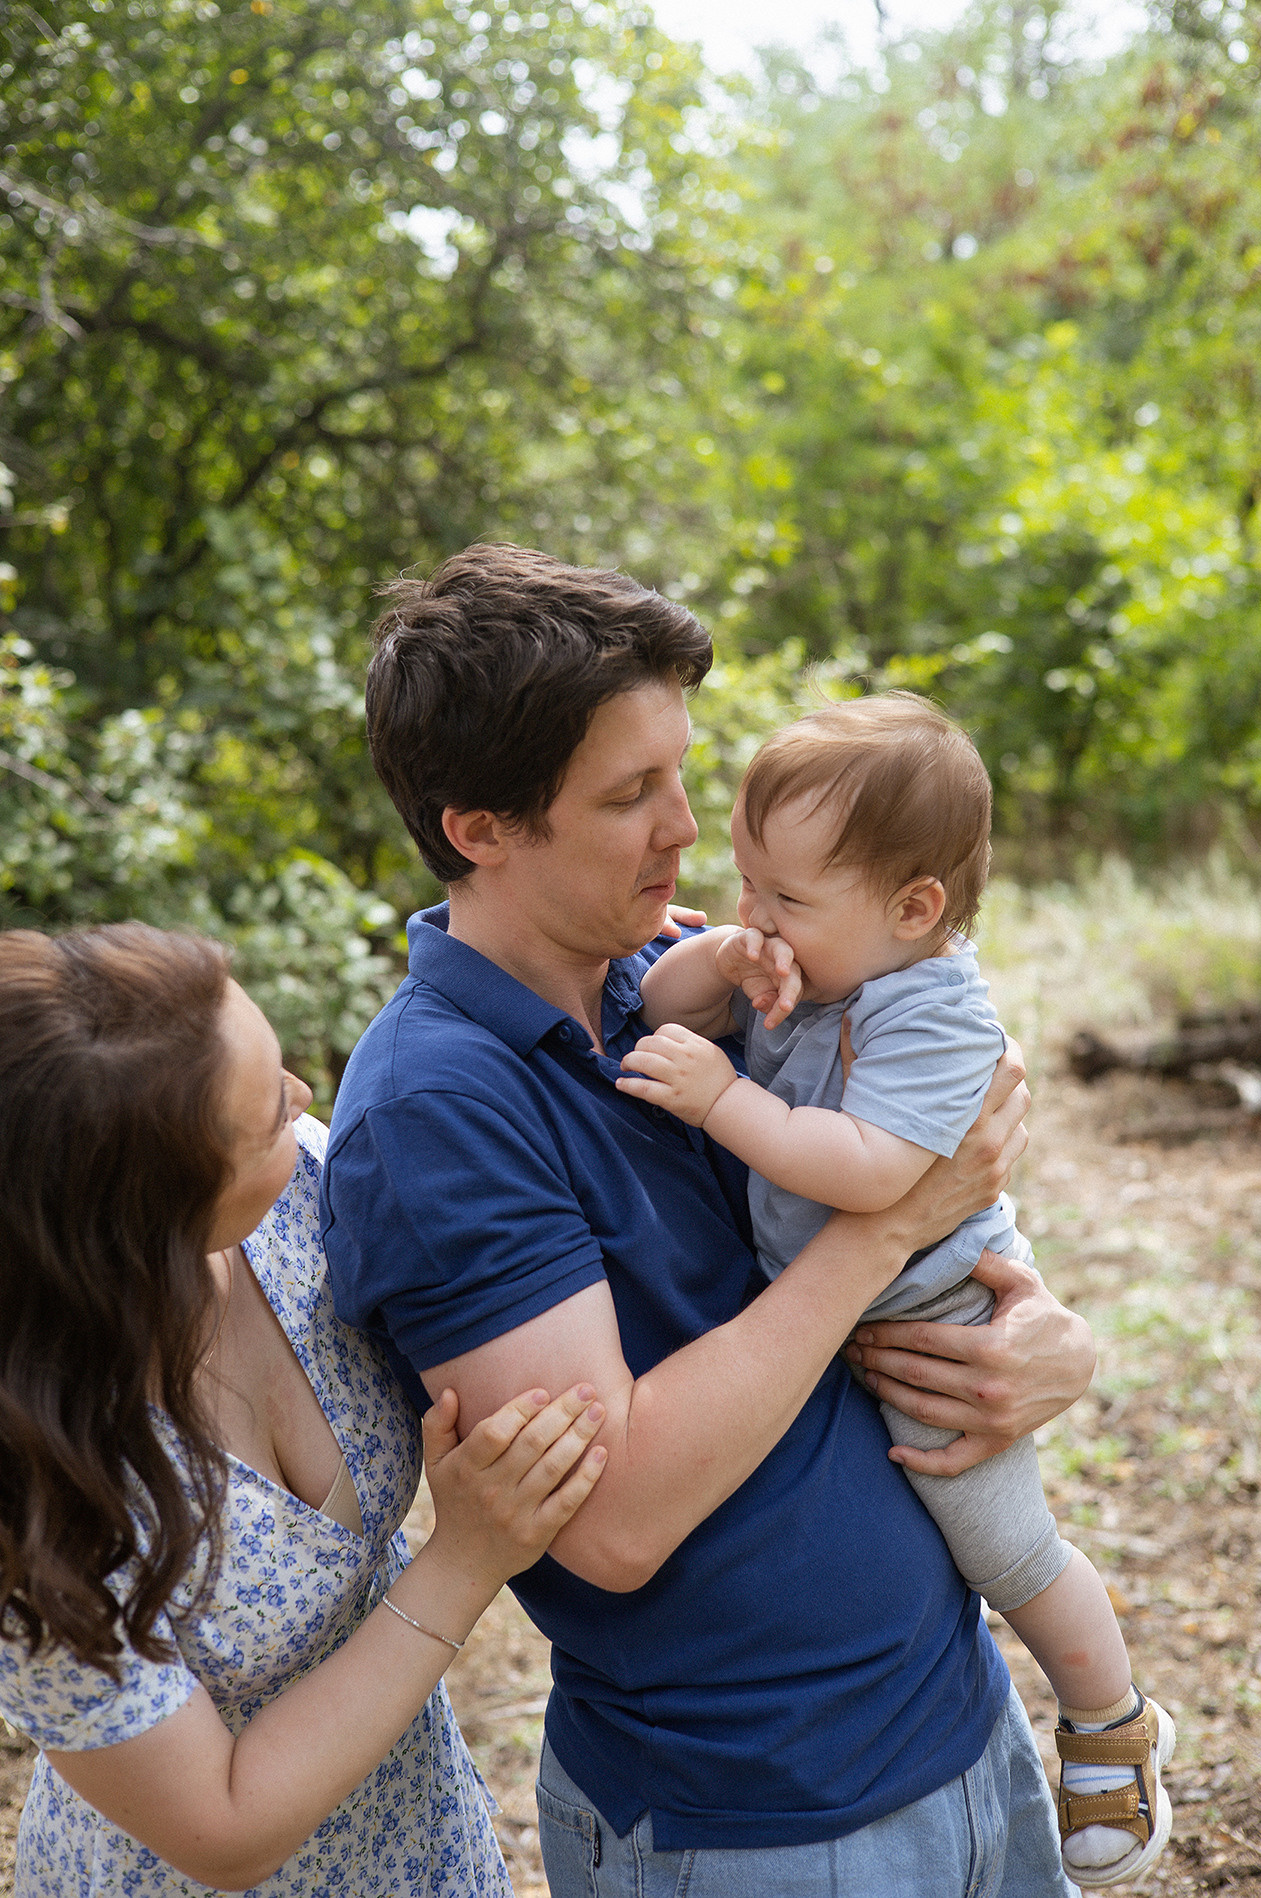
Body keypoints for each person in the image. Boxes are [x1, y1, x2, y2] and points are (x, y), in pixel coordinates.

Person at [321, 543, 1095, 1898]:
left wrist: (1040, 1338)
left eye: (680, 771)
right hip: (757, 1819)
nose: (684, 827)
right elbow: (612, 1516)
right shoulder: (435, 1109)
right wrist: (886, 1230)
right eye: (629, 794)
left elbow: (940, 1127)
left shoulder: (667, 967)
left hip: (958, 1723)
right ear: (480, 827)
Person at [618, 692, 1174, 1890]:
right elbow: (657, 1006)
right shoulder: (814, 960)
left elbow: (873, 1173)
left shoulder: (933, 1009)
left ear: (914, 908)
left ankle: (1110, 1716)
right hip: (841, 1308)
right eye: (746, 882)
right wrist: (721, 956)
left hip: (936, 1315)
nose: (759, 915)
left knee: (1000, 1543)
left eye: (785, 898)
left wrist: (725, 1099)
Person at [0, 921, 608, 1898]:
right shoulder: (36, 1483)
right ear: (145, 1220)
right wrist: (464, 1560)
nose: (303, 1098)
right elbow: (224, 1831)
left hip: (420, 1841)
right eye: (266, 1121)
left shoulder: (306, 1195)